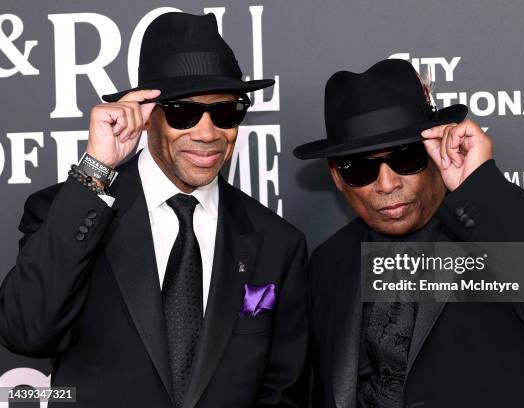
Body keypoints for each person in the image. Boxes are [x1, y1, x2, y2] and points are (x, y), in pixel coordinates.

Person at [0, 12, 308, 408]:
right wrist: (96, 169)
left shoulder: (277, 244)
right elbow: (26, 330)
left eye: (225, 111)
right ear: (146, 116)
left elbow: (282, 392)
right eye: (184, 112)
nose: (208, 132)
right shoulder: (70, 211)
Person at [293, 58, 524, 407]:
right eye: (361, 168)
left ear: (437, 147)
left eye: (406, 157)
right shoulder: (329, 263)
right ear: (337, 176)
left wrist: (482, 191)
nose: (386, 184)